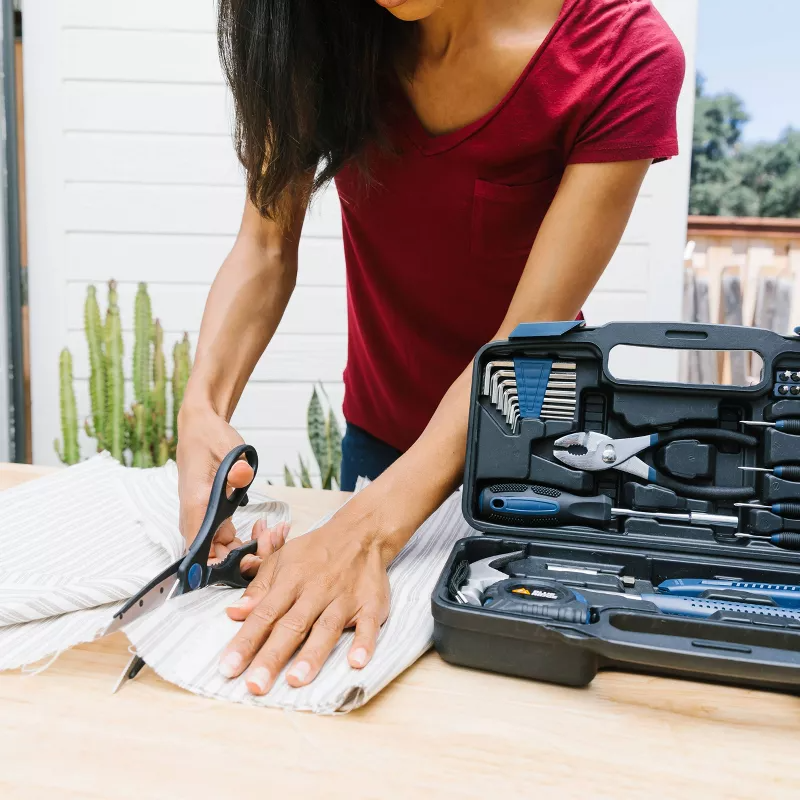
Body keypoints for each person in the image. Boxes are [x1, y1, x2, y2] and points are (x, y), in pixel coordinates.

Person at [177, 0, 685, 695]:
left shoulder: (622, 52)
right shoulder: (323, 29)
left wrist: (366, 533)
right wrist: (202, 404)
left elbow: (521, 343)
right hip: (376, 442)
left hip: (531, 463)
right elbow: (266, 244)